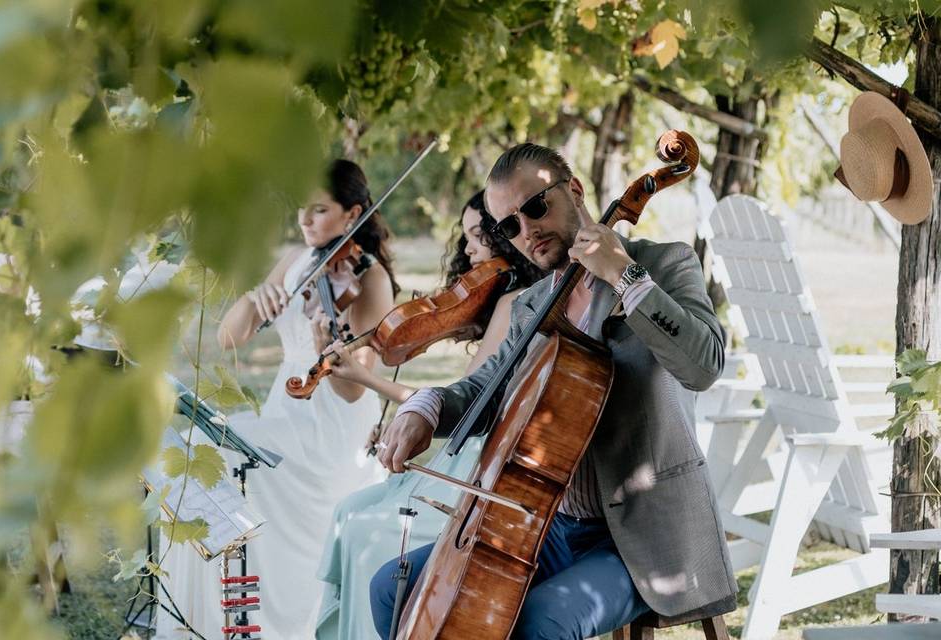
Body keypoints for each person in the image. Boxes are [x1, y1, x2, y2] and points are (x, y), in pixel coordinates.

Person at [370, 143, 738, 639]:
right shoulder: (535, 304)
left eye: (535, 207)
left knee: (538, 623)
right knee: (392, 589)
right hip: (546, 525)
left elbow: (705, 365)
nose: (526, 231)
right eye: (508, 226)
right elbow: (486, 385)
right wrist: (426, 408)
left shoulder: (664, 263)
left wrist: (624, 277)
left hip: (640, 535)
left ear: (575, 191)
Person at [155, 159, 396, 640]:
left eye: (319, 210)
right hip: (287, 409)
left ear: (352, 214)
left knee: (218, 461)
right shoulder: (297, 259)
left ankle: (260, 625)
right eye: (301, 210)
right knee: (197, 465)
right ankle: (202, 623)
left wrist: (330, 346)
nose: (305, 221)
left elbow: (352, 389)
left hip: (331, 431)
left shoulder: (370, 280)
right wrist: (257, 294)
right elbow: (229, 337)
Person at [313, 190, 543, 640]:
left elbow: (469, 403)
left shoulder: (514, 303)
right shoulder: (502, 302)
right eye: (467, 238)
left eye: (479, 236)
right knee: (347, 512)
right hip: (463, 453)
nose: (468, 249)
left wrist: (369, 382)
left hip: (473, 464)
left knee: (362, 532)